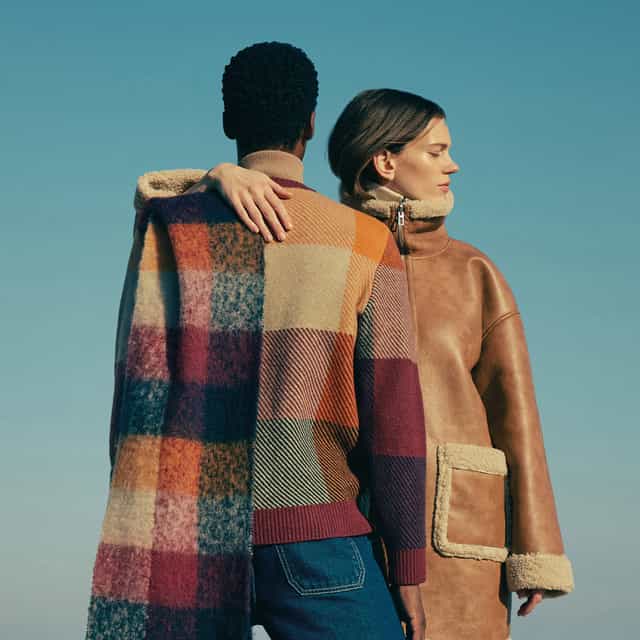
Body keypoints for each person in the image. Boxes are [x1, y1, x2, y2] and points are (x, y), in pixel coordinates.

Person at [195, 88, 576, 640]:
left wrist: (537, 548)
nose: (453, 165)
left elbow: (517, 417)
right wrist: (217, 176)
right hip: (345, 525)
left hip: (454, 530)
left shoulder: (475, 272)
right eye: (437, 151)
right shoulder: (329, 243)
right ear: (385, 161)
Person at [84, 45, 429, 640]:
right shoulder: (366, 239)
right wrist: (407, 569)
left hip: (188, 534)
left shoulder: (172, 230)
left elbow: (133, 390)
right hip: (318, 533)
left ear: (227, 123)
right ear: (311, 124)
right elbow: (395, 426)